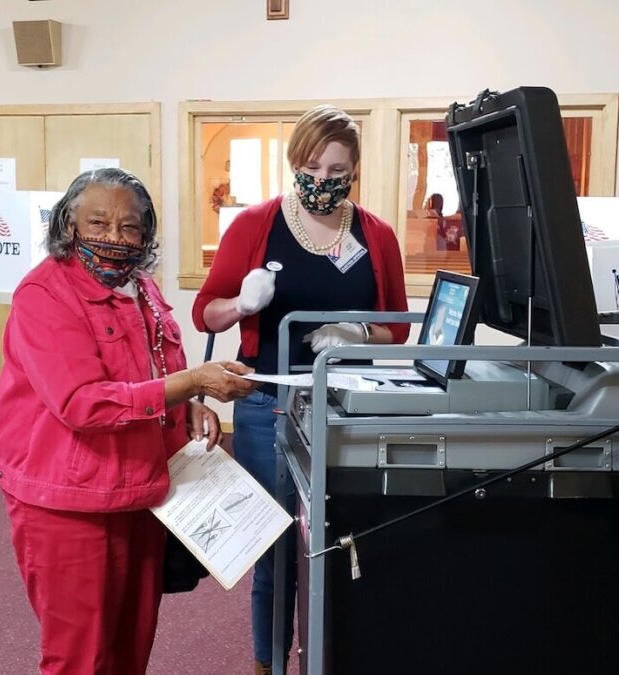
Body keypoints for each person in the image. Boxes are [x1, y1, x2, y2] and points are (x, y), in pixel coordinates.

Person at [0, 168, 257, 675]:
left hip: (142, 491)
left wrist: (187, 405)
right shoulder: (44, 294)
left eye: (129, 227)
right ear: (68, 225)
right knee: (80, 657)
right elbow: (83, 403)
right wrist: (191, 383)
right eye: (98, 222)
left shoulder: (143, 289)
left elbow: (155, 371)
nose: (113, 237)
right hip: (68, 502)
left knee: (130, 650)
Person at [193, 105, 409, 674]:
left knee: (342, 541)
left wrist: (358, 330)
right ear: (295, 163)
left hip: (347, 408)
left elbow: (399, 329)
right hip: (268, 406)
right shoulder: (254, 226)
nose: (324, 179)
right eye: (313, 165)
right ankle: (269, 664)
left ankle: (332, 656)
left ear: (355, 169)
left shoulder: (375, 234)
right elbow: (204, 315)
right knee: (276, 551)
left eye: (337, 169)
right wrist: (242, 305)